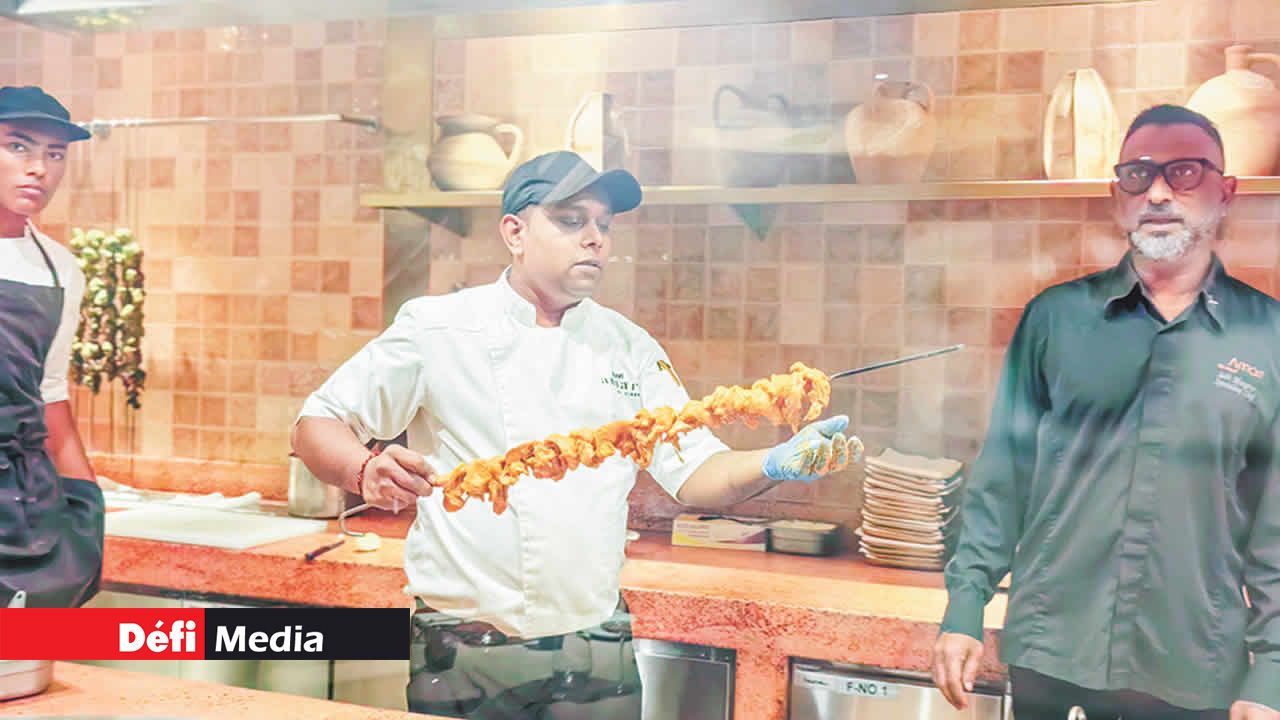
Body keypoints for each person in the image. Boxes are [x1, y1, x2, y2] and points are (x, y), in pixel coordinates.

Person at [293, 150, 858, 718]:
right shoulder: (437, 328)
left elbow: (695, 473)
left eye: (604, 225)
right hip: (464, 646)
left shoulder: (629, 347)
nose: (595, 239)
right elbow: (316, 424)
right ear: (514, 231)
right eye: (571, 220)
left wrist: (775, 463)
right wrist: (363, 470)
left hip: (595, 642)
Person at [932, 104, 1280, 720]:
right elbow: (1003, 478)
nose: (1161, 192)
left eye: (1186, 172)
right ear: (1117, 196)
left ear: (1227, 193)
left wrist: (1272, 672)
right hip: (1051, 656)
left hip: (1190, 666)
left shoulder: (1269, 337)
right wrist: (964, 607)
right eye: (1139, 175)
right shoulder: (1055, 318)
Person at [0, 86, 103, 610]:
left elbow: (50, 399)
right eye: (19, 146)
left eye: (55, 153)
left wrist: (87, 515)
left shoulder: (61, 271)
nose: (39, 167)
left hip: (23, 510)